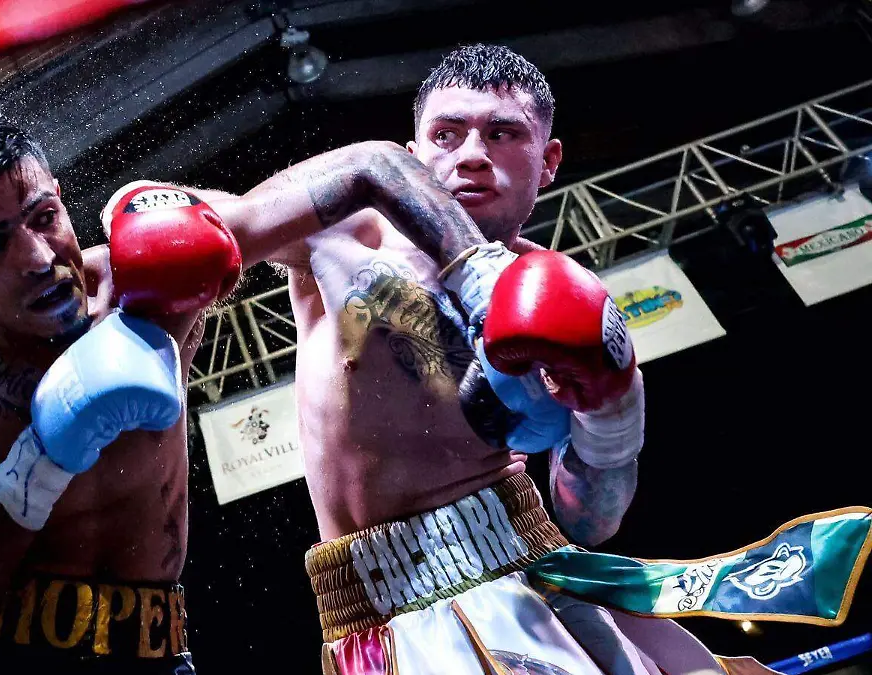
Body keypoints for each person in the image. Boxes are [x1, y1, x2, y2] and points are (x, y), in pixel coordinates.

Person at [112, 44, 869, 673]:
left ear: (549, 159)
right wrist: (140, 211)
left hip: (535, 562)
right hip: (380, 600)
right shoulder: (342, 236)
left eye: (503, 134)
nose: (472, 155)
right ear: (414, 152)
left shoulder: (564, 297)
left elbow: (591, 518)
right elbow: (183, 219)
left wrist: (613, 418)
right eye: (447, 134)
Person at [0, 111, 243, 674]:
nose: (40, 258)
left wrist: (171, 206)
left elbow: (318, 202)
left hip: (154, 652)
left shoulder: (138, 287)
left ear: (60, 197)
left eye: (44, 218)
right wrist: (38, 465)